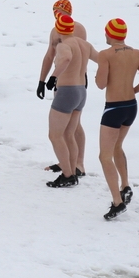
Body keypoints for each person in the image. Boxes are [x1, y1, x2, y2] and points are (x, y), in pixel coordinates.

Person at [94, 18, 139, 220]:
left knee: (104, 156)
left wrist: (99, 73)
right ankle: (125, 185)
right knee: (117, 146)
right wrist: (133, 90)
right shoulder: (137, 53)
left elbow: (101, 84)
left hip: (114, 108)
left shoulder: (105, 55)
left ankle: (117, 202)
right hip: (131, 106)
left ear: (110, 34)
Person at [38, 0, 89, 177]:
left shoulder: (77, 29)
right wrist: (42, 80)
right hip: (60, 82)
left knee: (74, 125)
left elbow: (78, 55)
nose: (57, 14)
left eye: (61, 11)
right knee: (64, 126)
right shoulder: (55, 31)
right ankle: (65, 161)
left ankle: (79, 163)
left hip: (74, 82)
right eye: (55, 11)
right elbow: (49, 56)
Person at [45, 14, 97, 188]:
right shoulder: (84, 44)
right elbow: (101, 59)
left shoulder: (64, 45)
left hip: (67, 91)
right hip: (81, 91)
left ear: (59, 29)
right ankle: (73, 171)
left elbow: (66, 58)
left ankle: (67, 174)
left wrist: (53, 77)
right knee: (69, 134)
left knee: (55, 135)